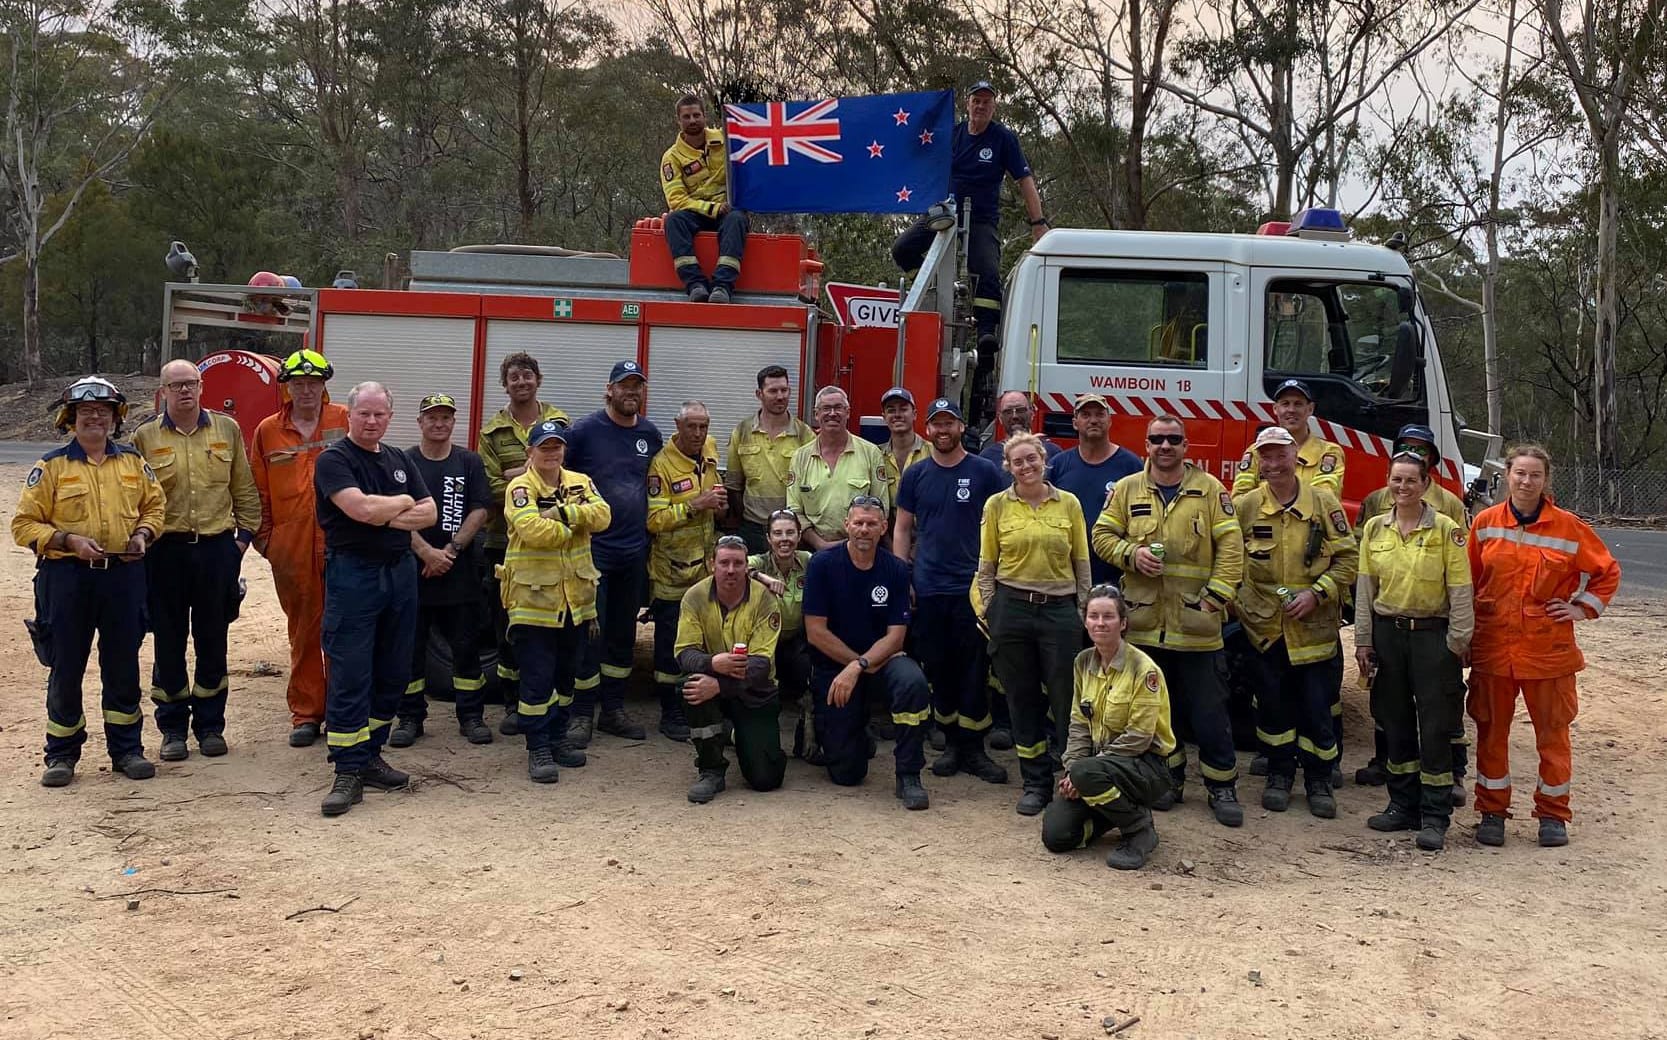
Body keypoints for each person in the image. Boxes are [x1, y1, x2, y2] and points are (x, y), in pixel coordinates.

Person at [1092, 415, 1245, 828]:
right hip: (1143, 626)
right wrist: (1131, 554)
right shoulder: (1126, 489)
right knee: (1159, 713)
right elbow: (1101, 536)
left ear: (1186, 445)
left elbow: (1232, 547)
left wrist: (1218, 597)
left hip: (1197, 626)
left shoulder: (1210, 491)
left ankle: (1222, 786)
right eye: (1157, 439)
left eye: (1173, 439)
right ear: (1146, 444)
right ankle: (1170, 779)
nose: (1165, 446)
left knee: (1210, 713)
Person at [14, 377, 166, 787]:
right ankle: (61, 754)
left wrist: (142, 536)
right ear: (71, 419)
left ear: (115, 419)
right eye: (85, 412)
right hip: (66, 578)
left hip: (123, 577)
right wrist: (67, 540)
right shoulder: (51, 467)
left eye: (103, 412)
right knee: (66, 665)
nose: (94, 418)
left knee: (122, 665)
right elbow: (24, 525)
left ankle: (127, 750)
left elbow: (155, 508)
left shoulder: (134, 463)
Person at [1467, 445, 1620, 848]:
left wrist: (1581, 607)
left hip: (1548, 651)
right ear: (1507, 476)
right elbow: (1468, 581)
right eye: (1519, 473)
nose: (1526, 481)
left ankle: (1553, 815)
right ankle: (1492, 812)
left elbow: (1607, 571)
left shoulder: (1568, 528)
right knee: (1491, 731)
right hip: (1494, 647)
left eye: (1535, 475)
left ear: (1545, 480)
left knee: (1553, 735)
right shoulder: (1484, 523)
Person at [313, 382, 435, 816]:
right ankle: (346, 770)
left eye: (379, 414)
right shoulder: (334, 460)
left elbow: (431, 512)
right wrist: (401, 503)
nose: (371, 422)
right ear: (350, 415)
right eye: (363, 414)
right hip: (353, 574)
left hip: (399, 574)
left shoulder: (399, 459)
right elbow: (359, 510)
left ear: (390, 415)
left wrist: (384, 513)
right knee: (350, 672)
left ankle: (370, 756)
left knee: (393, 670)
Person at [131, 360, 262, 761]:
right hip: (164, 553)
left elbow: (244, 488)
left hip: (215, 551)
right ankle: (172, 729)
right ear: (164, 390)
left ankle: (210, 727)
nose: (184, 391)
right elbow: (135, 497)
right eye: (176, 385)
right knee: (168, 642)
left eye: (191, 384)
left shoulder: (227, 429)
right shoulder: (145, 437)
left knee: (213, 640)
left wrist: (239, 543)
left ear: (202, 387)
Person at [1232, 426, 1358, 819]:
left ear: (1294, 458)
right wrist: (1240, 605)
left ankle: (1319, 780)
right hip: (1266, 631)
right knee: (1272, 708)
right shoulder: (1246, 507)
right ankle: (1279, 775)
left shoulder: (1323, 504)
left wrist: (1316, 593)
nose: (1272, 464)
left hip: (1314, 630)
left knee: (1317, 708)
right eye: (1264, 457)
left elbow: (1349, 560)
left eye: (1279, 455)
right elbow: (1230, 560)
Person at [1354, 451, 1474, 851]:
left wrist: (1458, 642)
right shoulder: (1374, 529)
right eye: (1396, 480)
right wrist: (1364, 641)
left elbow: (1460, 590)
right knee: (1395, 721)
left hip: (1432, 636)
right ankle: (1402, 805)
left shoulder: (1445, 530)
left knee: (1436, 725)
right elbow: (1365, 591)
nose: (1402, 487)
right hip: (1389, 634)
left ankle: (1435, 815)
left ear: (1425, 484)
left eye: (1410, 480)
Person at [976, 431, 1093, 816]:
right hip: (1012, 608)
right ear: (1008, 467)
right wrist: (993, 609)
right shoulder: (997, 506)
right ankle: (1035, 782)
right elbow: (987, 566)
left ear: (1044, 460)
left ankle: (1070, 778)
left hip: (1060, 611)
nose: (1026, 466)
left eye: (1032, 459)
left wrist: (1081, 612)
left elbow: (1081, 564)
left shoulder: (1069, 504)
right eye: (1018, 461)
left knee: (1066, 700)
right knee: (1021, 698)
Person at [893, 397, 1007, 783]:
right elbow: (903, 528)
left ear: (961, 427)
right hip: (928, 586)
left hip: (972, 590)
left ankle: (975, 749)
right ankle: (951, 743)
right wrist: (902, 576)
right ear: (928, 430)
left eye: (950, 423)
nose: (943, 430)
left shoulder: (985, 472)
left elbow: (1001, 523)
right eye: (936, 424)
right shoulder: (916, 474)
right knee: (939, 667)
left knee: (974, 668)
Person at [891, 80, 1047, 356]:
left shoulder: (1003, 139)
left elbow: (1024, 179)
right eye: (977, 100)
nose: (981, 106)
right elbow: (921, 159)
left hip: (981, 218)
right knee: (902, 249)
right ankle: (935, 288)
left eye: (987, 101)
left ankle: (986, 330)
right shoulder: (953, 134)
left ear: (994, 107)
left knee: (987, 268)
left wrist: (1038, 223)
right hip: (944, 214)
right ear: (968, 103)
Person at [802, 498, 933, 810]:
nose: (864, 529)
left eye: (871, 523)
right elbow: (816, 632)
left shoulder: (897, 569)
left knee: (913, 683)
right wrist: (852, 666)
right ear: (846, 525)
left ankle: (909, 774)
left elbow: (896, 637)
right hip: (835, 665)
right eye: (858, 523)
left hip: (880, 663)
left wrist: (860, 665)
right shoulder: (822, 565)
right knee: (847, 773)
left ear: (883, 527)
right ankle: (833, 727)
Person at [502, 419, 612, 783]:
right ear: (529, 452)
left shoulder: (580, 482)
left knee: (567, 676)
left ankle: (559, 738)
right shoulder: (520, 487)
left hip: (576, 601)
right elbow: (531, 530)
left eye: (557, 446)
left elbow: (603, 516)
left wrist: (565, 513)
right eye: (544, 446)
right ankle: (538, 747)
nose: (551, 452)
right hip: (533, 601)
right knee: (537, 680)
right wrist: (572, 527)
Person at [250, 347, 349, 747]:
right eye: (298, 383)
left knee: (345, 630)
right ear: (287, 387)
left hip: (342, 544)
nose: (306, 390)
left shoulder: (345, 420)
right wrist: (267, 542)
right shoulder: (267, 431)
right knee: (304, 632)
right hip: (291, 550)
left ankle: (344, 713)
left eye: (314, 383)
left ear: (325, 386)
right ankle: (307, 714)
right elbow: (257, 491)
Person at [1041, 584, 1177, 871]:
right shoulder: (1083, 662)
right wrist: (1072, 770)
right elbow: (1078, 723)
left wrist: (1084, 771)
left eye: (1108, 617)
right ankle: (1115, 811)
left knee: (1085, 773)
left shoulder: (1144, 669)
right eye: (1093, 616)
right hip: (1099, 769)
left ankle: (1139, 829)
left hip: (1146, 767)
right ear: (1085, 620)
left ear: (1123, 623)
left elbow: (1139, 738)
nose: (1100, 623)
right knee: (1057, 835)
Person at [564, 360, 663, 746]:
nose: (631, 392)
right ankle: (581, 714)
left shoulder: (649, 435)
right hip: (594, 552)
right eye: (624, 386)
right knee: (590, 634)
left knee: (624, 634)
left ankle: (614, 710)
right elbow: (557, 475)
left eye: (637, 386)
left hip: (633, 551)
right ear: (609, 390)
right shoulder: (585, 432)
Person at [391, 393, 492, 747]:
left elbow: (480, 509)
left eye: (445, 417)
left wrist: (449, 550)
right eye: (431, 417)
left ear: (454, 423)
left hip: (458, 574)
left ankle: (471, 717)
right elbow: (394, 513)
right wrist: (425, 552)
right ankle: (409, 718)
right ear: (420, 422)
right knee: (409, 651)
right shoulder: (403, 461)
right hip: (414, 575)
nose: (439, 423)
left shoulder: (469, 462)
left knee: (465, 650)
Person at [479, 352, 571, 734]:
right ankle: (512, 703)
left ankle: (546, 700)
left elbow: (565, 472)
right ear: (505, 384)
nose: (521, 382)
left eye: (527, 375)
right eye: (513, 377)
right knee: (509, 626)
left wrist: (520, 472)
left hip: (555, 545)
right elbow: (492, 487)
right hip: (506, 543)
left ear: (539, 379)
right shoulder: (492, 433)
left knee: (553, 628)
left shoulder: (560, 421)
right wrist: (537, 475)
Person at [674, 536, 789, 803]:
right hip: (711, 684)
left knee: (766, 779)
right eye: (724, 562)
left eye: (738, 563)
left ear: (745, 566)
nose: (730, 570)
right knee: (690, 685)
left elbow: (761, 665)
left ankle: (737, 734)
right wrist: (712, 663)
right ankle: (711, 769)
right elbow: (684, 653)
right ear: (712, 563)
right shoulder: (694, 597)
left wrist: (720, 684)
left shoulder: (765, 600)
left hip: (755, 692)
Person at [646, 401, 726, 741]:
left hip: (705, 571)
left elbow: (715, 497)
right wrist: (696, 505)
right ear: (677, 426)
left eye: (703, 426)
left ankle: (696, 706)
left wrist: (718, 506)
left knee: (703, 642)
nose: (697, 434)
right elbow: (653, 521)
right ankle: (670, 712)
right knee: (669, 646)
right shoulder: (661, 466)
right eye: (691, 427)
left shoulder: (708, 453)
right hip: (672, 574)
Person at [661, 93, 748, 303]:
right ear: (678, 120)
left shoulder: (727, 141)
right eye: (687, 117)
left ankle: (722, 287)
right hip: (696, 213)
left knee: (737, 219)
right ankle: (695, 285)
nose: (692, 121)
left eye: (696, 115)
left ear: (704, 116)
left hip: (728, 211)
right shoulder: (671, 157)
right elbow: (677, 199)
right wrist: (711, 208)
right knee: (673, 220)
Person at [1050, 393, 1142, 585]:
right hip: (1066, 575)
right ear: (1075, 423)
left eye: (1100, 414)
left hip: (1115, 575)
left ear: (1109, 421)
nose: (1093, 420)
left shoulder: (1131, 465)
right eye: (1086, 415)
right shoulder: (1058, 465)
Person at [746, 510, 815, 760]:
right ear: (768, 538)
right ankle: (759, 741)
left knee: (809, 679)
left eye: (789, 533)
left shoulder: (808, 561)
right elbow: (734, 565)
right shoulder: (760, 562)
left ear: (799, 537)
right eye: (777, 533)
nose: (783, 539)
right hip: (765, 641)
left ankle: (807, 736)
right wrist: (761, 578)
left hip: (798, 638)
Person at [786, 386, 890, 549]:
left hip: (860, 548)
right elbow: (794, 510)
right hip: (812, 549)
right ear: (816, 414)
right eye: (826, 408)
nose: (832, 413)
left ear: (848, 412)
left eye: (838, 408)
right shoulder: (800, 457)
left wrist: (853, 541)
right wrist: (820, 544)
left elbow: (881, 508)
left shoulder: (870, 453)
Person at [724, 365, 812, 553]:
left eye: (784, 390)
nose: (780, 396)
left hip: (791, 531)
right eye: (773, 391)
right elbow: (733, 486)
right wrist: (745, 521)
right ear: (759, 394)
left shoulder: (804, 434)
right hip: (753, 529)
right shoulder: (742, 432)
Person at [1231, 379, 1345, 495]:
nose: (1291, 410)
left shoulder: (1328, 452)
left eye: (1298, 404)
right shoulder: (1256, 451)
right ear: (1275, 409)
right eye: (1285, 404)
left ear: (1310, 409)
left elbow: (1325, 500)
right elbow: (1240, 498)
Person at [978, 390, 1061, 482]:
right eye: (1008, 412)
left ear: (1032, 413)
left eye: (1020, 410)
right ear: (1000, 418)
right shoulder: (987, 458)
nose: (1015, 416)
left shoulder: (1054, 453)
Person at [878, 386, 931, 501]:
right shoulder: (876, 455)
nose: (897, 415)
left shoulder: (933, 453)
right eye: (891, 410)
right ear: (884, 417)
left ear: (915, 414)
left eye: (903, 409)